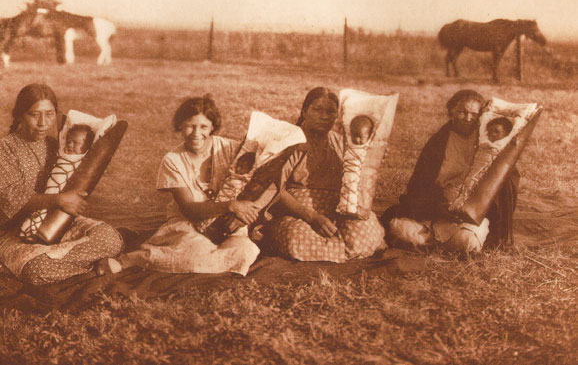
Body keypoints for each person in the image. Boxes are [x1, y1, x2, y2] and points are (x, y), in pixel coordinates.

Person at [103, 95, 260, 276]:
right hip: (188, 224)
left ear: (212, 128)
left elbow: (262, 161)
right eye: (190, 126)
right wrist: (229, 205)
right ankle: (132, 259)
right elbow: (189, 209)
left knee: (247, 251)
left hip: (227, 225)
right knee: (194, 255)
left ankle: (203, 259)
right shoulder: (173, 160)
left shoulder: (230, 149)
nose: (196, 133)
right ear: (180, 126)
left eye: (203, 127)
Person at [0, 83, 123, 285]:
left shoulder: (56, 145)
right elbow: (11, 197)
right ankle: (95, 267)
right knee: (36, 270)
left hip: (59, 221)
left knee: (110, 238)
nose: (43, 123)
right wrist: (59, 199)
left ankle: (65, 259)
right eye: (34, 115)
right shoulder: (5, 149)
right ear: (19, 115)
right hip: (15, 232)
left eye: (49, 114)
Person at [380, 89, 519, 253]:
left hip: (473, 212)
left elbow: (505, 179)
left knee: (468, 242)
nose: (468, 119)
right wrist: (438, 206)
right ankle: (431, 236)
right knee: (396, 226)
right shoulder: (438, 143)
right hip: (438, 207)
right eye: (462, 112)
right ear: (451, 111)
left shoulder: (488, 141)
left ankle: (430, 239)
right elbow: (419, 186)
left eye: (473, 114)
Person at [261, 87, 385, 262]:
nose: (324, 116)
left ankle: (335, 251)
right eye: (317, 109)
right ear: (304, 111)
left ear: (337, 116)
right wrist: (311, 217)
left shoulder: (341, 142)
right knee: (295, 238)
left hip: (336, 211)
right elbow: (273, 189)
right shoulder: (291, 141)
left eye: (331, 112)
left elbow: (355, 179)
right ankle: (343, 252)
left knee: (364, 231)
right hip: (297, 213)